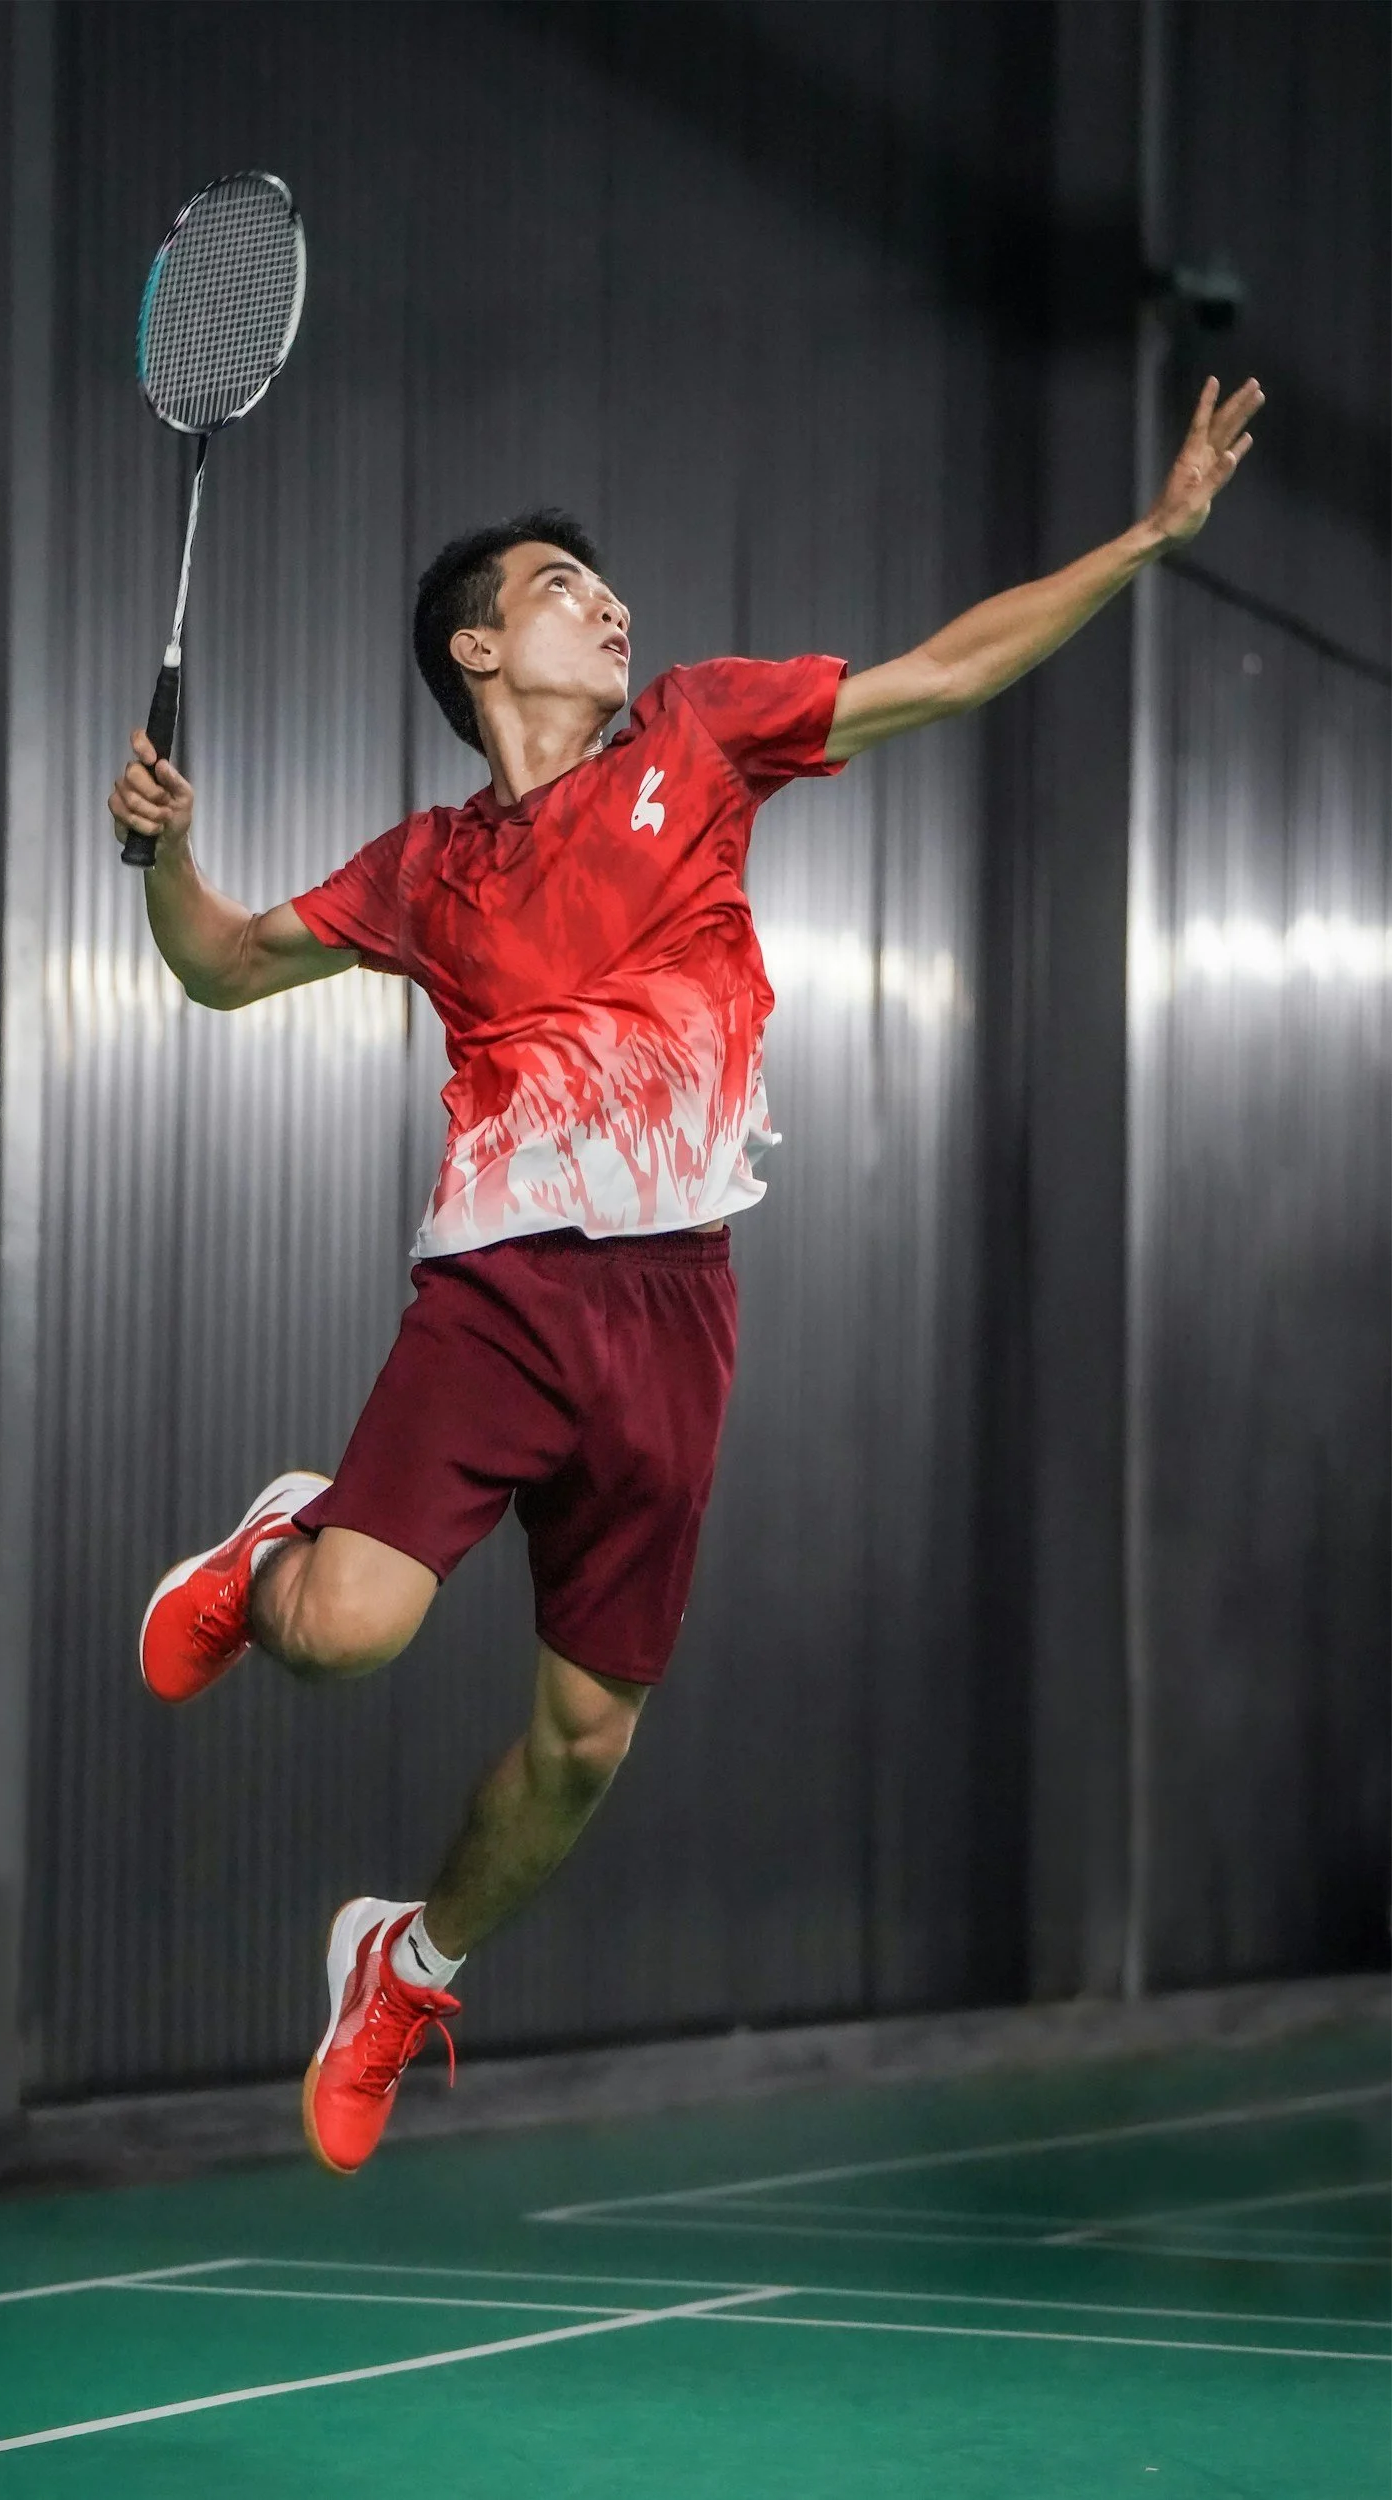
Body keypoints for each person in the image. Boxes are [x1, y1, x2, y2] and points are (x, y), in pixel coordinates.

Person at [108, 375, 1262, 2176]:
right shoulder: (427, 870)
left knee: (584, 1742)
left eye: (604, 583)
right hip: (499, 1292)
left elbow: (944, 673)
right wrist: (165, 857)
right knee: (338, 1638)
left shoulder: (700, 732)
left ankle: (406, 1965)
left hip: (675, 1314)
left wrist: (1148, 538)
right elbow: (218, 967)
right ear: (478, 647)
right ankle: (276, 1554)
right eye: (561, 585)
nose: (609, 603)